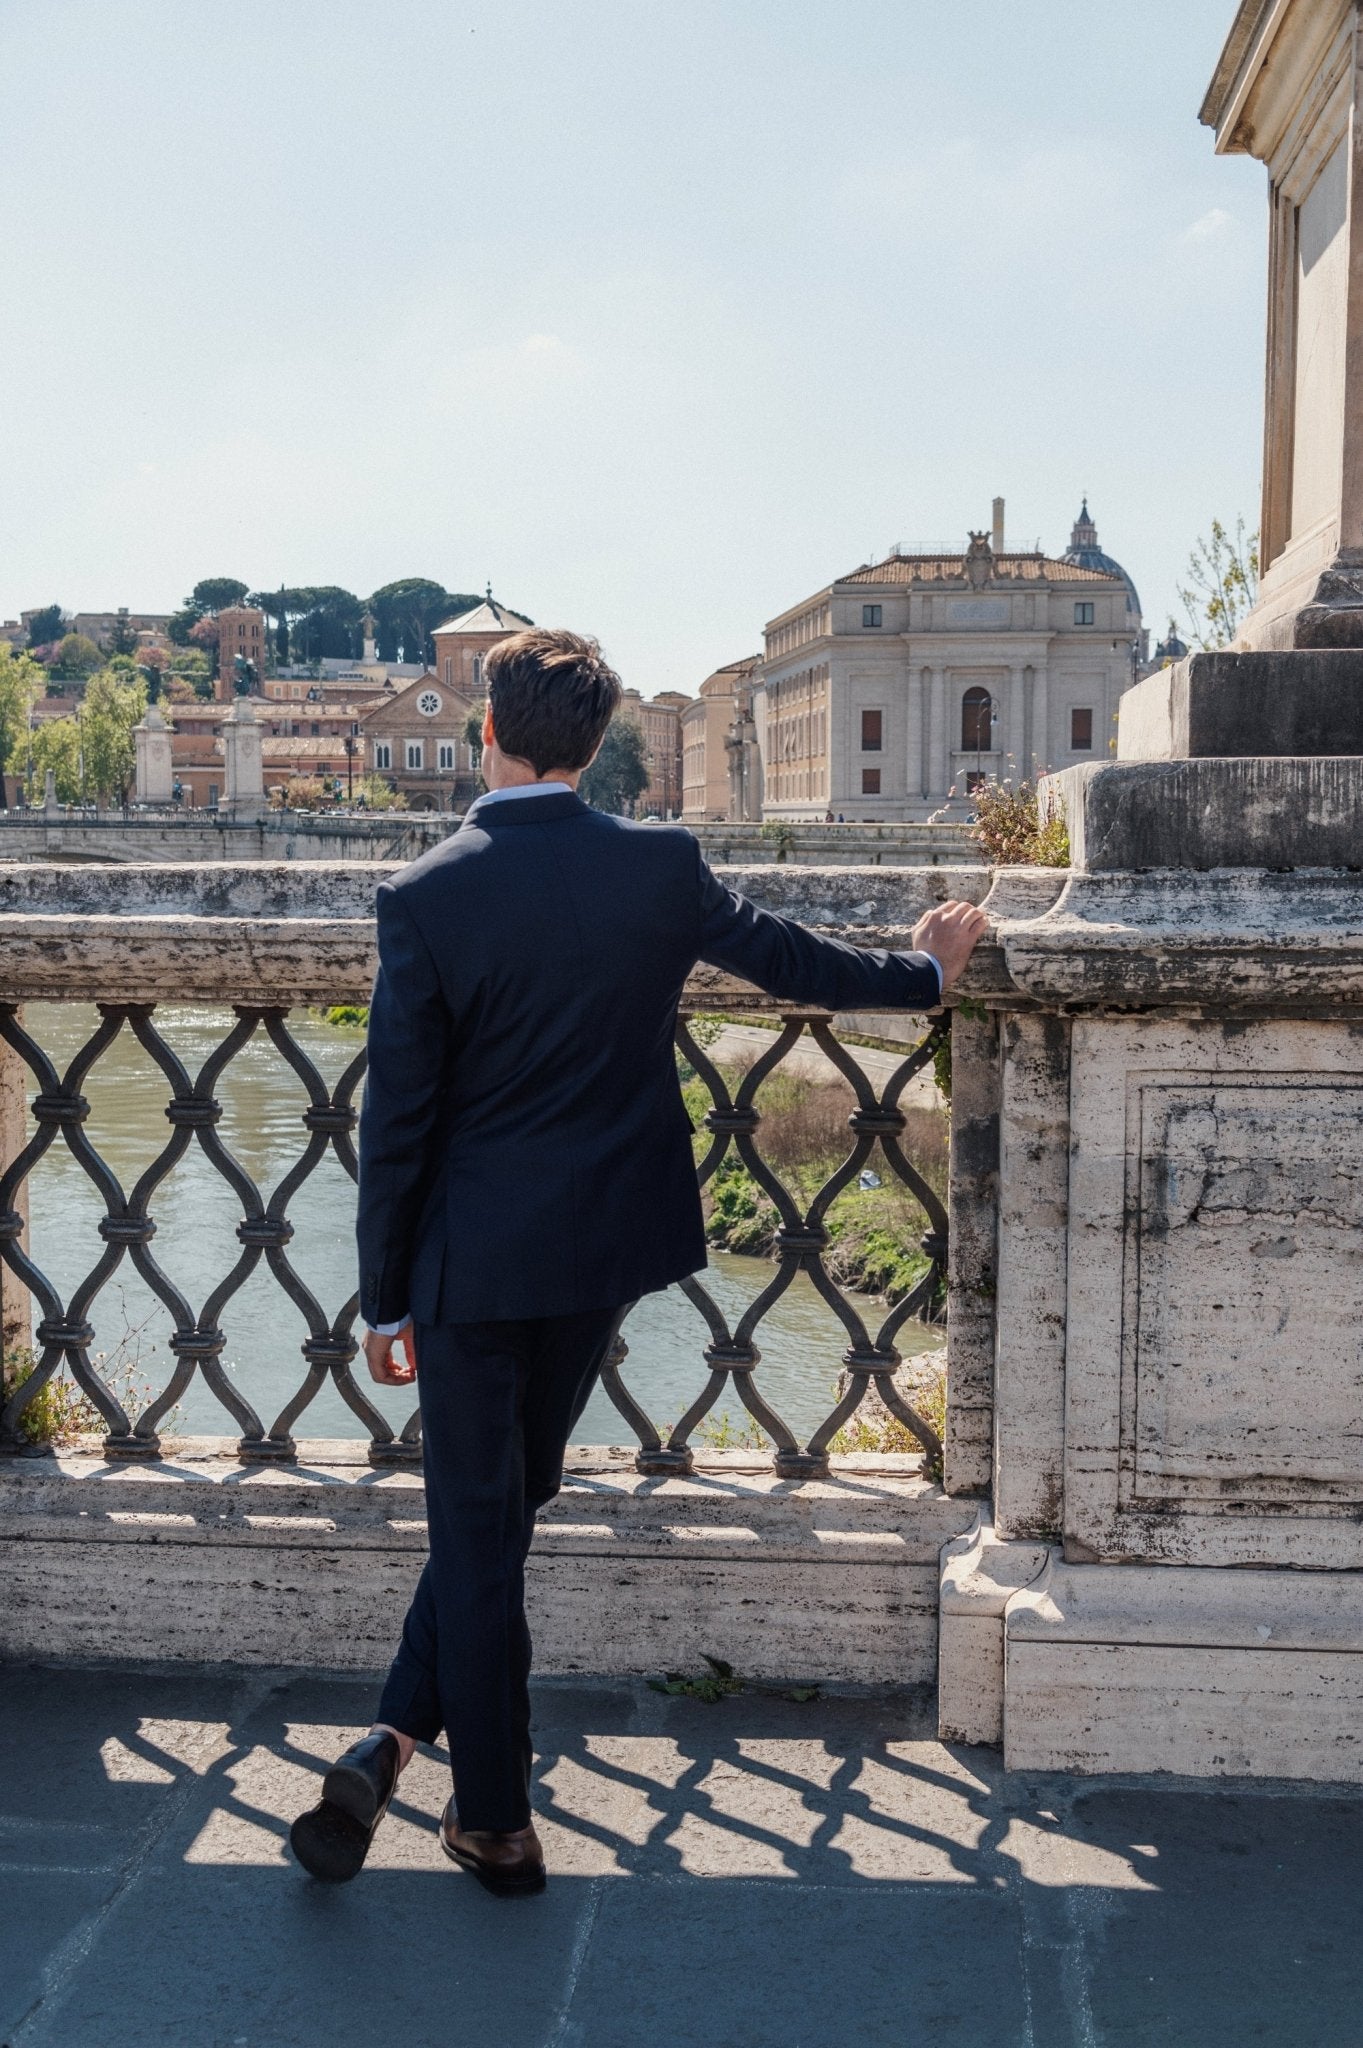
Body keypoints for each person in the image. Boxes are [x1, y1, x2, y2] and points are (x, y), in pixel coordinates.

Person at [290, 629, 987, 1896]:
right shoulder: (661, 866)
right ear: (595, 744)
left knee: (481, 1525)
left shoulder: (426, 894)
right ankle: (392, 1738)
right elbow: (795, 964)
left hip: (466, 1267)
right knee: (500, 1514)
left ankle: (495, 1820)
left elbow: (395, 1123)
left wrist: (381, 1292)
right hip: (598, 1251)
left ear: (486, 731)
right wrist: (924, 977)